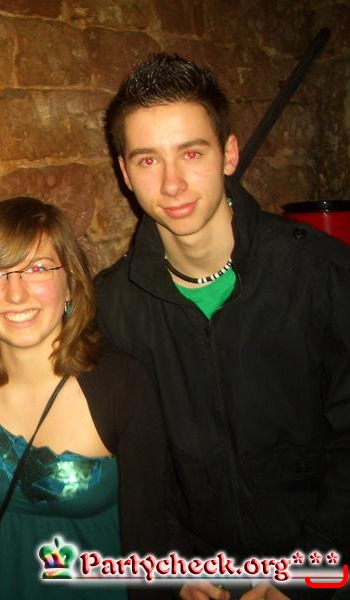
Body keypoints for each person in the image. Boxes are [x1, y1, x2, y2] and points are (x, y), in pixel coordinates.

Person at [98, 53, 350, 600]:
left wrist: (306, 573)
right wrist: (175, 564)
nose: (172, 184)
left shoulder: (322, 275)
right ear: (125, 173)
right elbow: (137, 461)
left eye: (192, 153)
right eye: (148, 160)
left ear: (229, 154)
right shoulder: (114, 307)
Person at [0, 196, 168, 600]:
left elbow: (153, 537)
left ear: (71, 284)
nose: (15, 294)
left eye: (37, 268)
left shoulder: (122, 386)